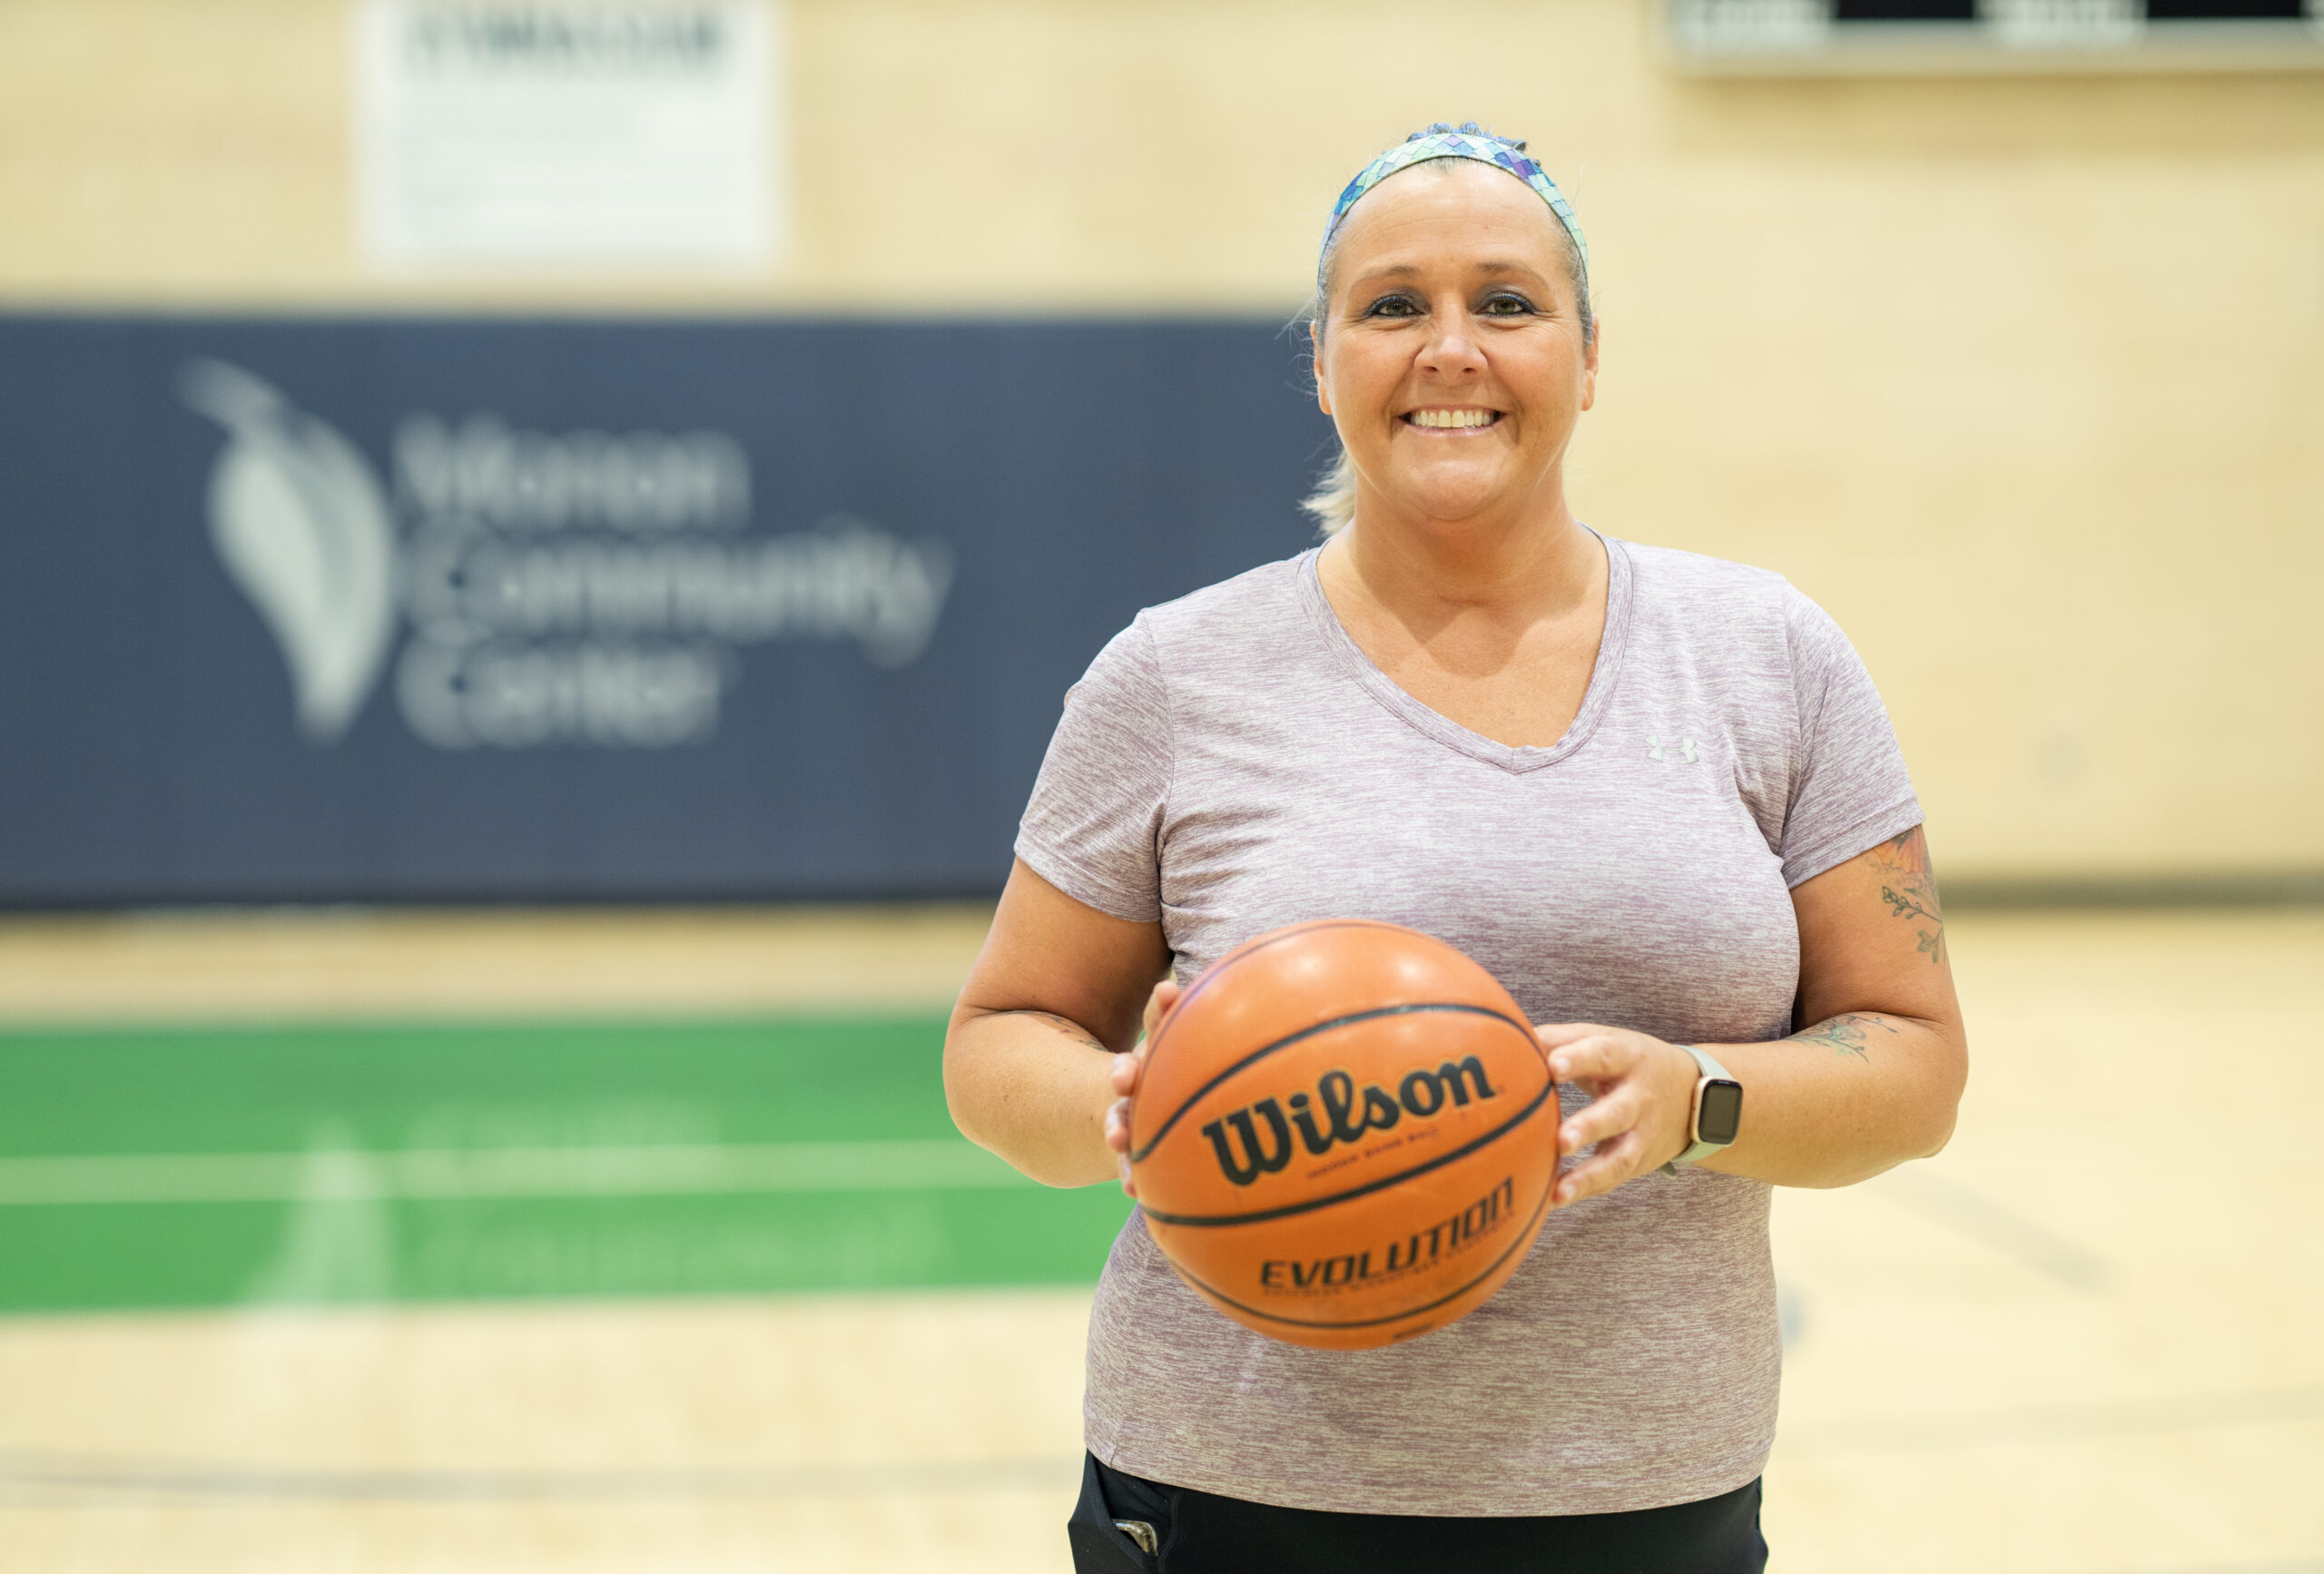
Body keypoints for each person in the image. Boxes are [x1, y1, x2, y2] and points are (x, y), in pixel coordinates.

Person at [942, 122, 1968, 1574]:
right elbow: (999, 1032)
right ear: (1320, 360)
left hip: (1642, 1497)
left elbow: (1915, 1062)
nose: (1449, 348)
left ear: (1590, 353)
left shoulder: (1769, 659)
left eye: (1505, 302)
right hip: (1233, 1494)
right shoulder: (1176, 675)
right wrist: (1123, 1101)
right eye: (1391, 305)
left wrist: (1698, 1101)